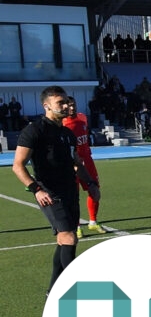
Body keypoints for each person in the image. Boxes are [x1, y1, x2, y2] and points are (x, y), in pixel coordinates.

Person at [12, 86, 100, 294]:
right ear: (47, 106)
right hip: (50, 193)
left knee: (66, 240)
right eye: (61, 103)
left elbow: (76, 163)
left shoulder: (67, 133)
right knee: (68, 236)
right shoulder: (35, 130)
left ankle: (53, 290)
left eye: (67, 102)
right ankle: (73, 290)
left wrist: (91, 185)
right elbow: (18, 165)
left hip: (70, 190)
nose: (66, 105)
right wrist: (36, 189)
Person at [62, 97, 105, 235]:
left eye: (73, 105)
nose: (72, 108)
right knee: (73, 195)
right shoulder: (63, 124)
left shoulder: (82, 117)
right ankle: (77, 226)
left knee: (94, 190)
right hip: (72, 163)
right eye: (69, 106)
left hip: (87, 160)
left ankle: (93, 222)